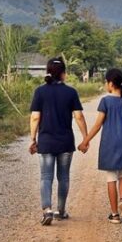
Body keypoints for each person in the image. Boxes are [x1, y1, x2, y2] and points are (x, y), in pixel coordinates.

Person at [30, 58, 88, 226]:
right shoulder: (71, 92)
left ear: (48, 72)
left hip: (46, 142)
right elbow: (79, 116)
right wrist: (85, 138)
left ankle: (47, 210)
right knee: (63, 177)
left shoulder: (40, 92)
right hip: (65, 142)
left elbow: (35, 117)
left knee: (45, 177)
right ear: (63, 73)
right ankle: (60, 211)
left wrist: (33, 139)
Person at [78, 68, 122, 224]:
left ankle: (114, 214)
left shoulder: (105, 101)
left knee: (111, 177)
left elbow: (98, 124)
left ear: (111, 83)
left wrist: (86, 140)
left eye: (106, 82)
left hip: (111, 143)